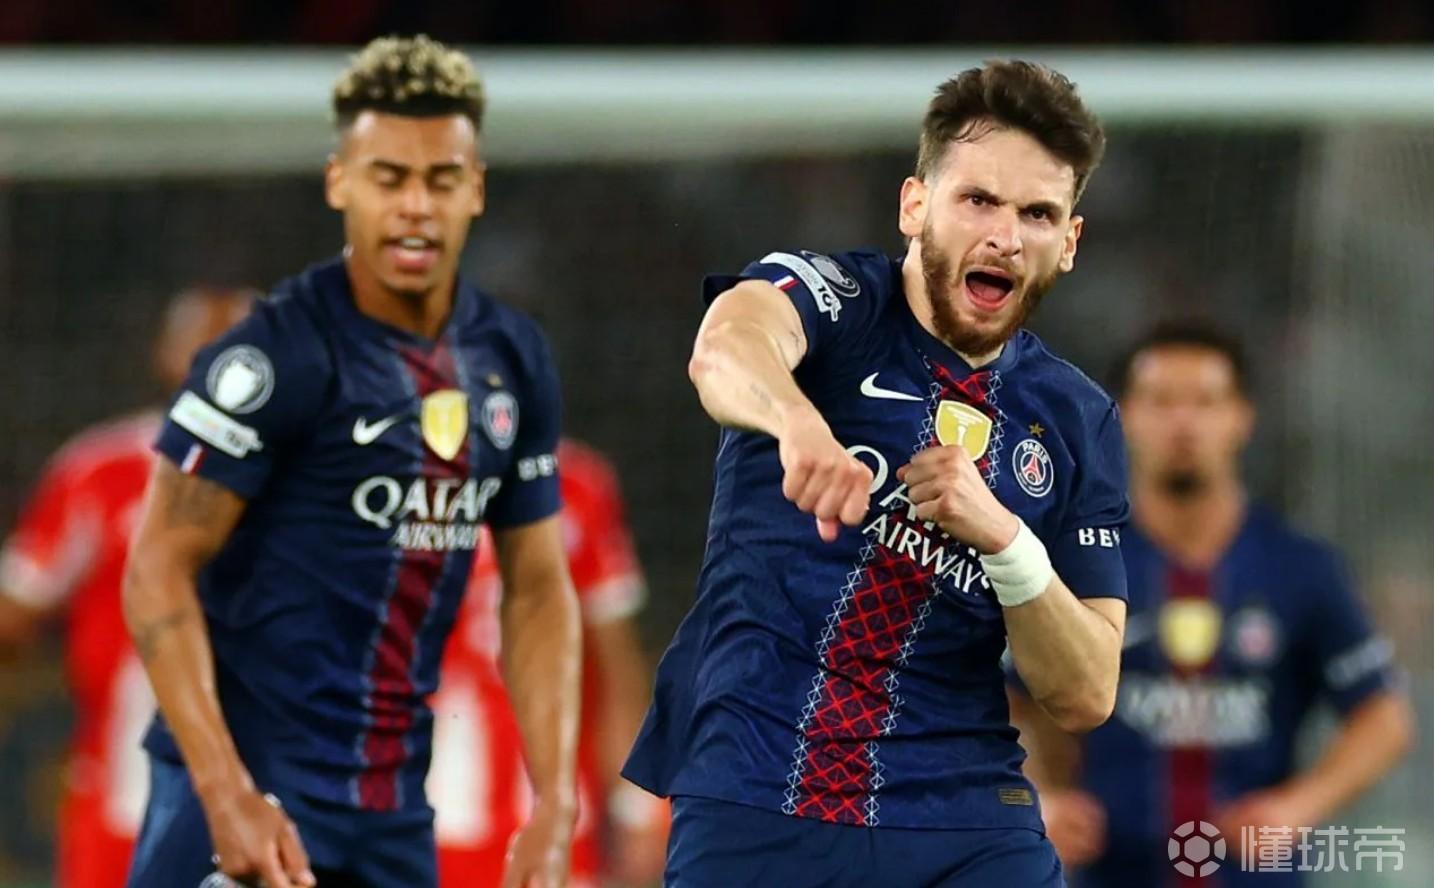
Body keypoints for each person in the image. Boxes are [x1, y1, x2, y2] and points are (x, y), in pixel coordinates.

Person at [624, 60, 1130, 886]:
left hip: (967, 818)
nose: (1005, 236)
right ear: (914, 205)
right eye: (979, 200)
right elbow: (725, 346)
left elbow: (1086, 692)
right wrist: (796, 423)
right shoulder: (836, 302)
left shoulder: (1077, 418)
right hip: (761, 785)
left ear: (1068, 243)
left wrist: (1008, 544)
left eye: (1037, 213)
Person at [121, 35, 582, 888]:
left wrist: (555, 800)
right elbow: (156, 569)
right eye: (388, 178)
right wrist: (224, 792)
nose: (415, 207)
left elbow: (539, 587)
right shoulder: (272, 356)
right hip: (249, 798)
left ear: (476, 189)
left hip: (391, 814)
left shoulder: (511, 358)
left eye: (441, 180)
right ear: (340, 182)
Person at [1009, 322, 1415, 887]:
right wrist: (1036, 797)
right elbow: (1004, 696)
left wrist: (1300, 805)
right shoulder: (1078, 563)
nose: (1184, 423)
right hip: (1113, 872)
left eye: (1205, 402)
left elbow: (1384, 717)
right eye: (1161, 401)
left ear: (1242, 417)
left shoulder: (1301, 567)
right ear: (1122, 415)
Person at [0, 287, 253, 888]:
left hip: (269, 794)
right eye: (201, 344)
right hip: (125, 792)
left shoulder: (321, 480)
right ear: (165, 355)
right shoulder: (101, 469)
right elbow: (16, 608)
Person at [431, 439, 667, 888]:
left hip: (558, 820)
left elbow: (614, 666)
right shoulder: (396, 485)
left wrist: (635, 805)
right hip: (440, 817)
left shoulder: (577, 485)